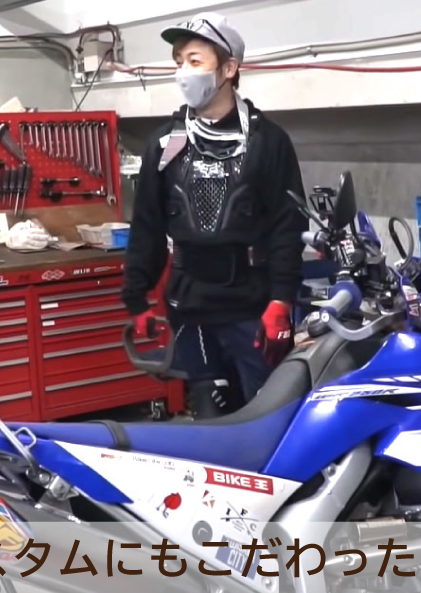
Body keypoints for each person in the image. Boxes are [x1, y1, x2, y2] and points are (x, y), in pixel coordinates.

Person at [121, 12, 308, 418]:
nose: (183, 72)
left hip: (253, 308)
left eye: (195, 61)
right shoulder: (166, 144)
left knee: (268, 417)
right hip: (191, 308)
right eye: (179, 62)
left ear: (228, 68)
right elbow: (147, 225)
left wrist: (282, 300)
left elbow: (287, 226)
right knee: (212, 422)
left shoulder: (267, 142)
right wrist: (136, 298)